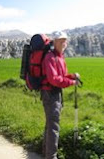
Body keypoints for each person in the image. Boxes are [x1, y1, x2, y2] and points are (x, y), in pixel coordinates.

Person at [40, 31, 80, 159]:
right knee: (53, 127)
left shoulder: (60, 56)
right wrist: (71, 82)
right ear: (55, 42)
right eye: (61, 40)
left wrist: (71, 76)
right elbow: (54, 79)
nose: (64, 43)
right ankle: (51, 156)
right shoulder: (50, 57)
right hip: (50, 94)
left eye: (65, 40)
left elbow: (61, 76)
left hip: (56, 93)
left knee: (50, 124)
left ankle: (46, 153)